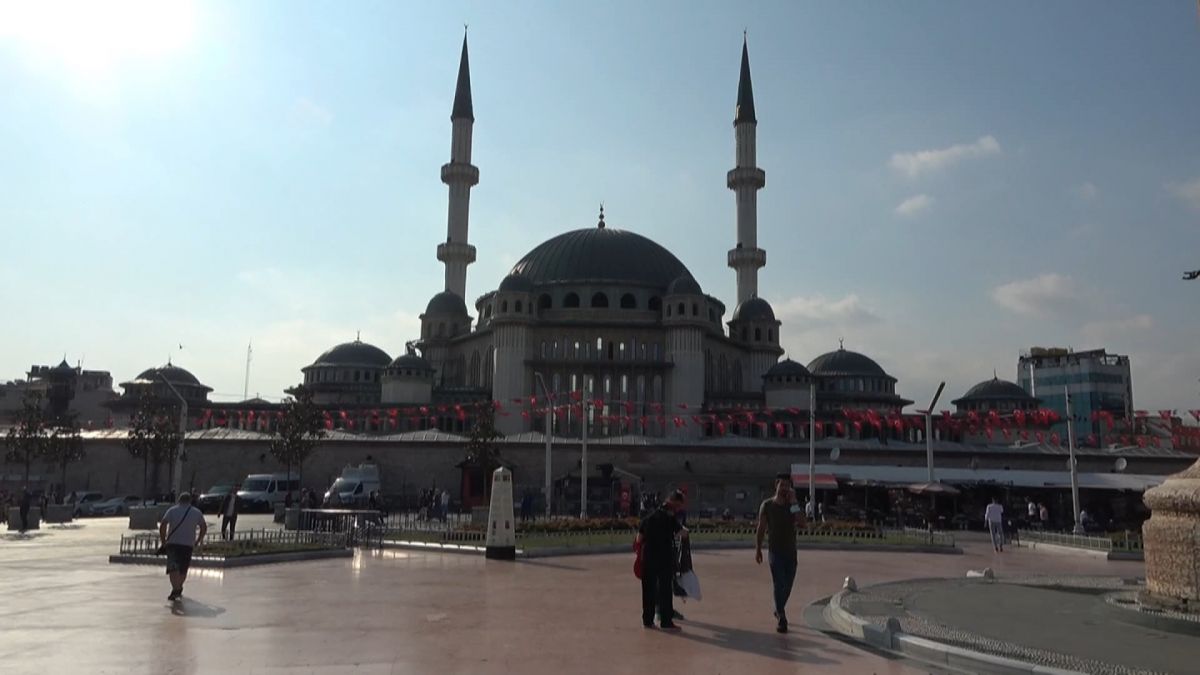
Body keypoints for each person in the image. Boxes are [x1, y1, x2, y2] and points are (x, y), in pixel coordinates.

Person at [637, 490, 686, 630]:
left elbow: (638, 539)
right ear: (674, 503)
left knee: (648, 590)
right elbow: (682, 534)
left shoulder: (648, 518)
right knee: (665, 591)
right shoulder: (669, 518)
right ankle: (666, 621)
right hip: (664, 559)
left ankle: (647, 620)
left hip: (648, 558)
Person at [756, 473, 799, 634]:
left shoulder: (791, 506)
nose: (785, 489)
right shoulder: (767, 505)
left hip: (791, 552)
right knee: (778, 583)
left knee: (787, 586)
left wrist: (794, 501)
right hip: (775, 552)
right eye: (782, 485)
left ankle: (778, 608)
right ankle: (782, 617)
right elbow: (761, 528)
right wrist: (758, 549)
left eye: (788, 486)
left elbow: (802, 523)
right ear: (776, 485)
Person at [158, 493, 207, 602]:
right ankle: (178, 587)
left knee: (172, 568)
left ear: (179, 500)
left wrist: (163, 540)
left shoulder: (172, 510)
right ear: (190, 501)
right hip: (188, 544)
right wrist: (198, 540)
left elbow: (163, 525)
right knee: (183, 569)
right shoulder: (196, 512)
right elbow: (203, 527)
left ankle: (176, 588)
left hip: (173, 544)